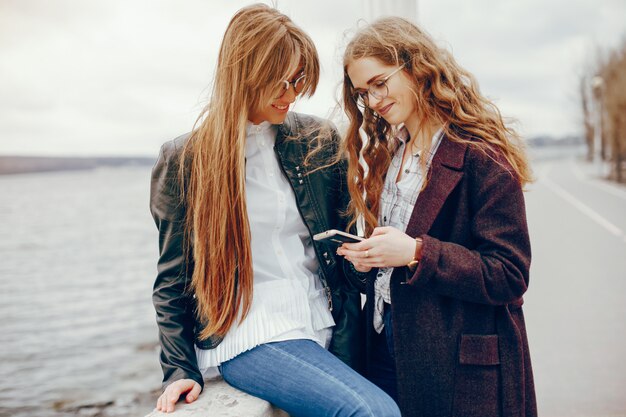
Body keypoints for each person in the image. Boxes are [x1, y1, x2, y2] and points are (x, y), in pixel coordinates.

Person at [149, 4, 400, 417]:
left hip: (329, 321)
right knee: (373, 412)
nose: (292, 93)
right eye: (279, 82)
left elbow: (342, 255)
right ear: (244, 75)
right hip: (251, 335)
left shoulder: (317, 138)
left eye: (299, 79)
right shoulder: (185, 159)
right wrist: (178, 369)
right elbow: (172, 279)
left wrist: (367, 254)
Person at [336, 17, 537, 417]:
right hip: (385, 347)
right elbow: (391, 268)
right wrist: (369, 258)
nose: (373, 101)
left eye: (380, 83)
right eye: (363, 93)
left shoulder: (482, 156)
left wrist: (416, 252)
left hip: (458, 364)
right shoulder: (388, 156)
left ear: (415, 67)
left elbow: (510, 273)